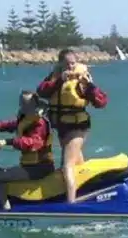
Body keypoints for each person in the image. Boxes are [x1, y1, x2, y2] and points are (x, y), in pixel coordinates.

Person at [36, 48, 108, 203]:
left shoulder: (82, 80)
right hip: (62, 126)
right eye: (67, 64)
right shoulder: (55, 77)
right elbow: (42, 91)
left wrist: (90, 87)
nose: (70, 67)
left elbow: (101, 102)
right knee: (77, 162)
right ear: (60, 64)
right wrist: (60, 79)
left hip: (78, 127)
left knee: (67, 165)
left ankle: (70, 202)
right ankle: (89, 190)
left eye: (73, 64)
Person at [0, 91, 55, 210]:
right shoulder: (27, 117)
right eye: (22, 103)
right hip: (29, 166)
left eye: (27, 104)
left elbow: (32, 142)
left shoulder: (40, 123)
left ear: (35, 104)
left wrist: (6, 142)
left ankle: (6, 210)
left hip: (39, 168)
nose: (23, 106)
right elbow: (13, 124)